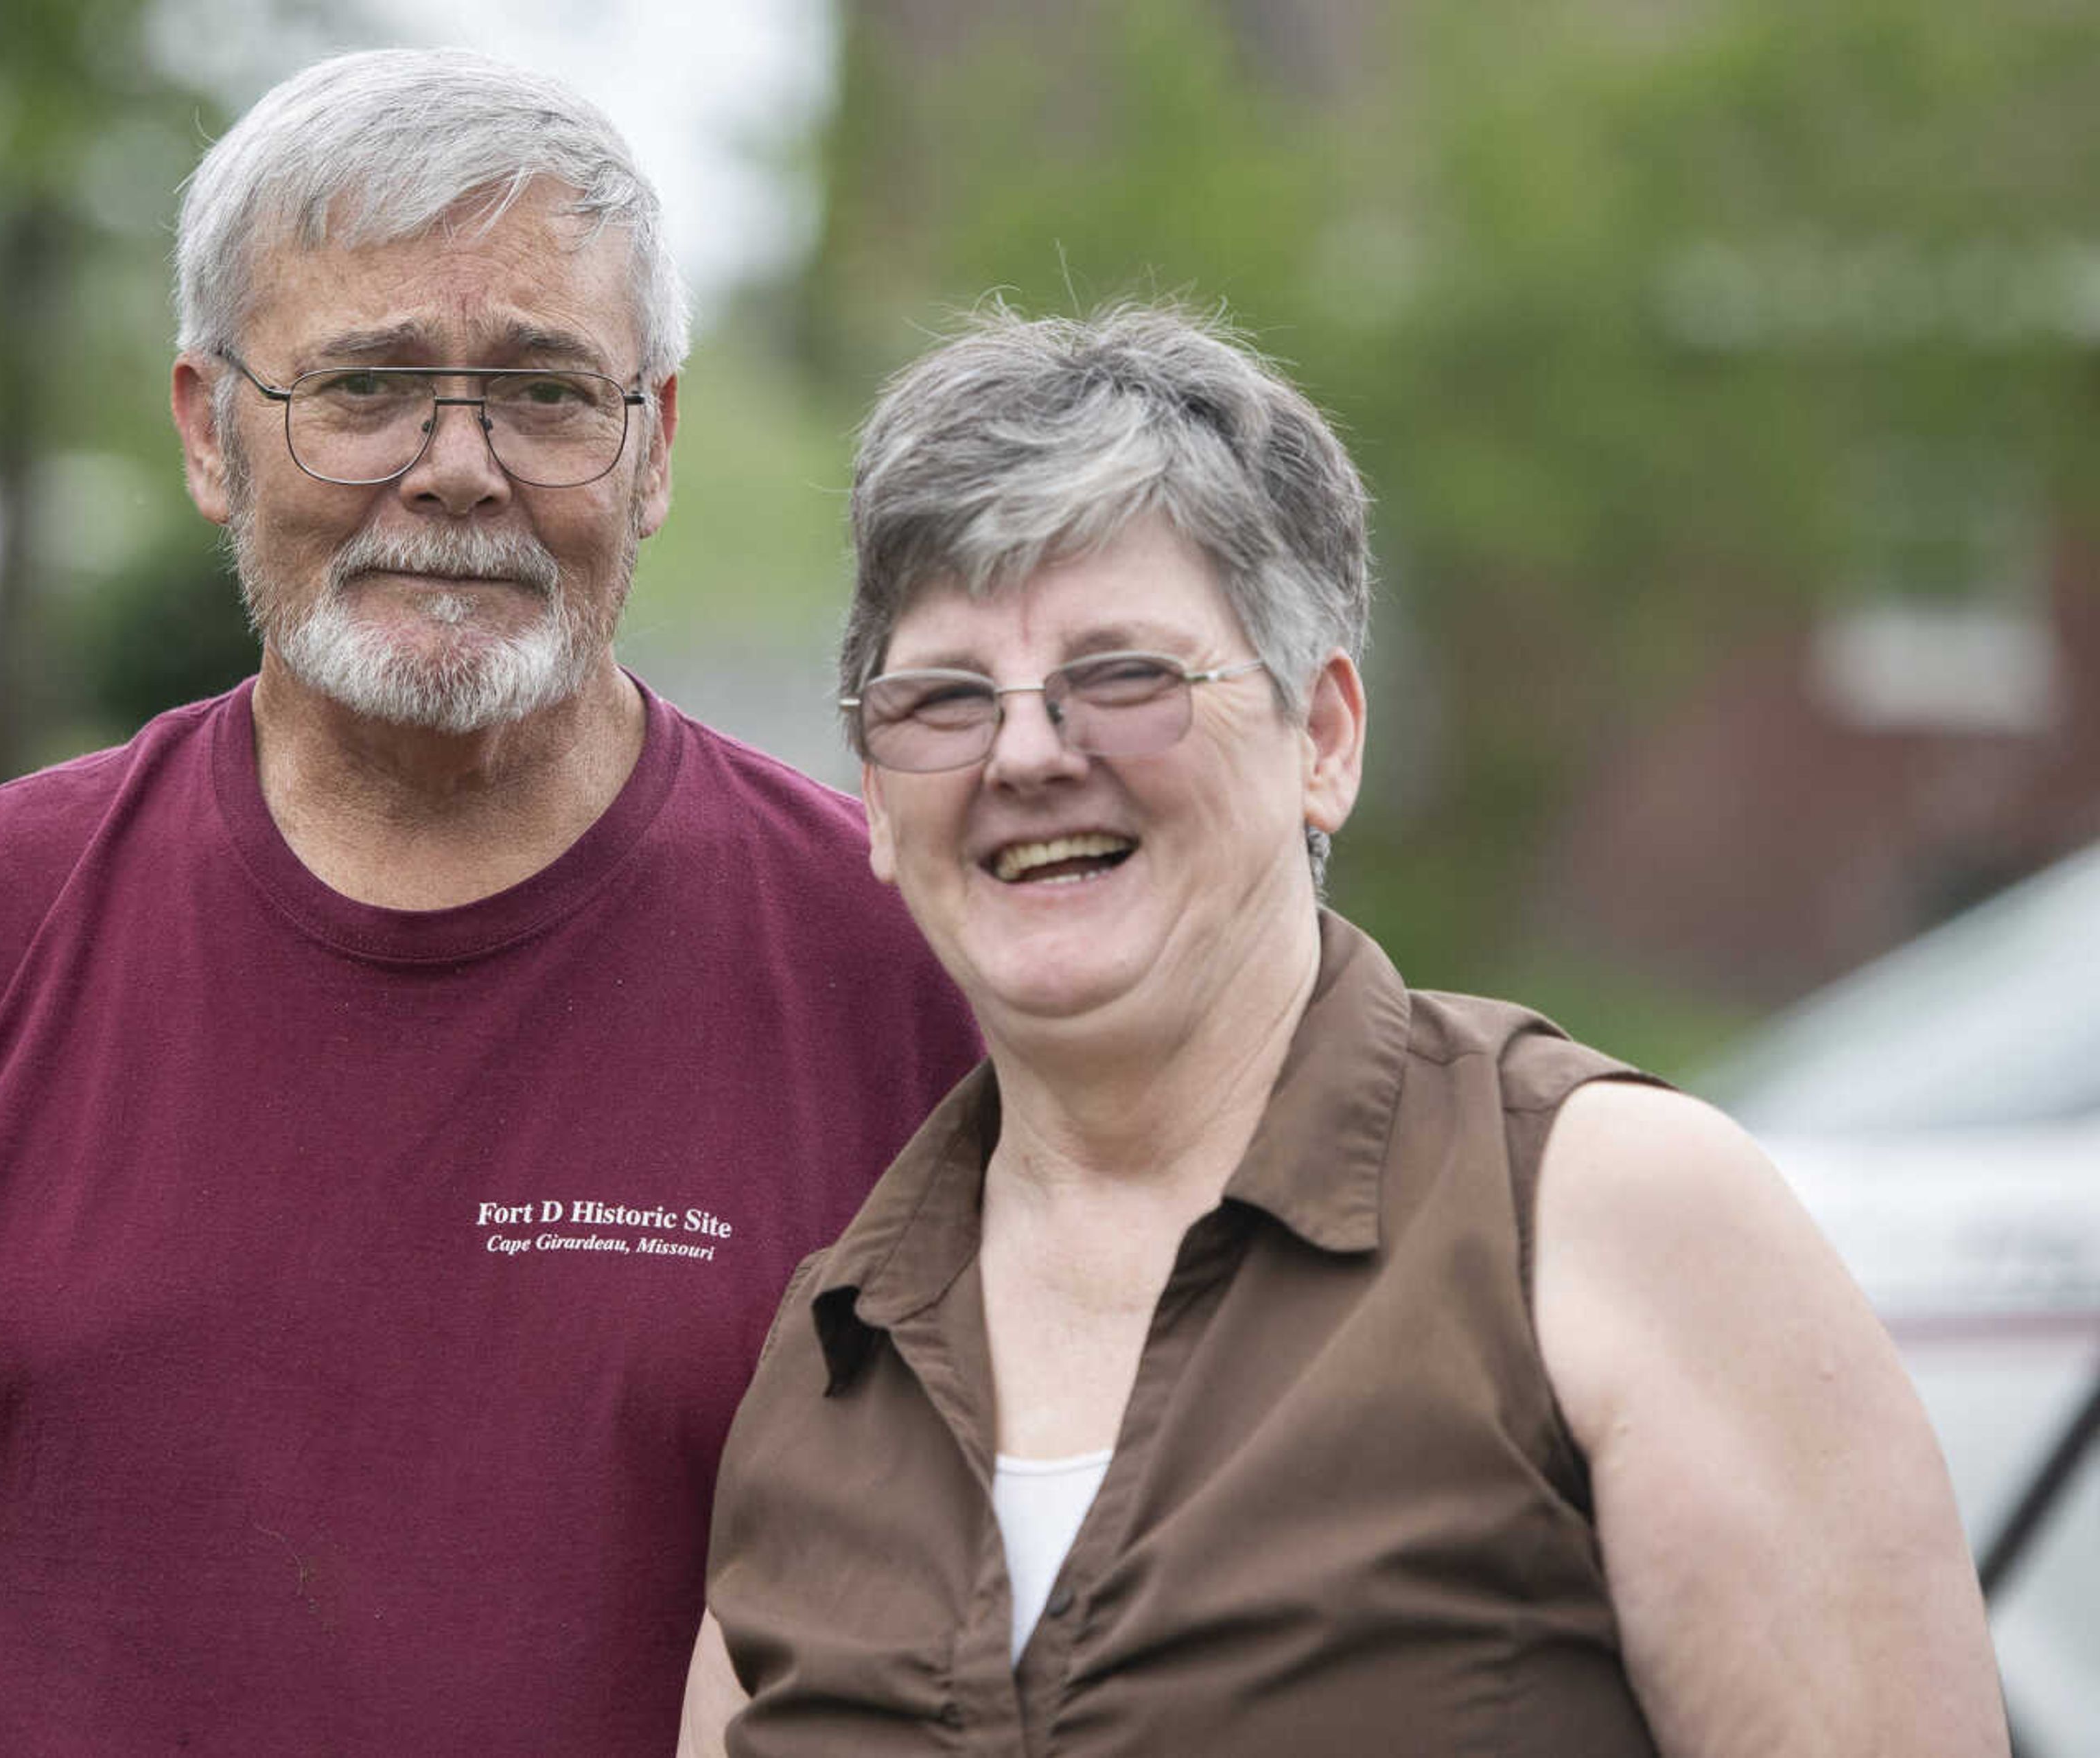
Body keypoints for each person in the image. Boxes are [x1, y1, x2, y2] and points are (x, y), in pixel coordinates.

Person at [0, 49, 979, 1755]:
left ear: (653, 444)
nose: (457, 469)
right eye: (366, 387)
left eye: (542, 393)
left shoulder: (902, 969)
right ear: (209, 431)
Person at [680, 304, 2008, 1755]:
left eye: (1123, 676)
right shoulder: (828, 1360)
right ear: (873, 804)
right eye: (943, 698)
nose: (1027, 753)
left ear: (1322, 739)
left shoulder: (1603, 1218)